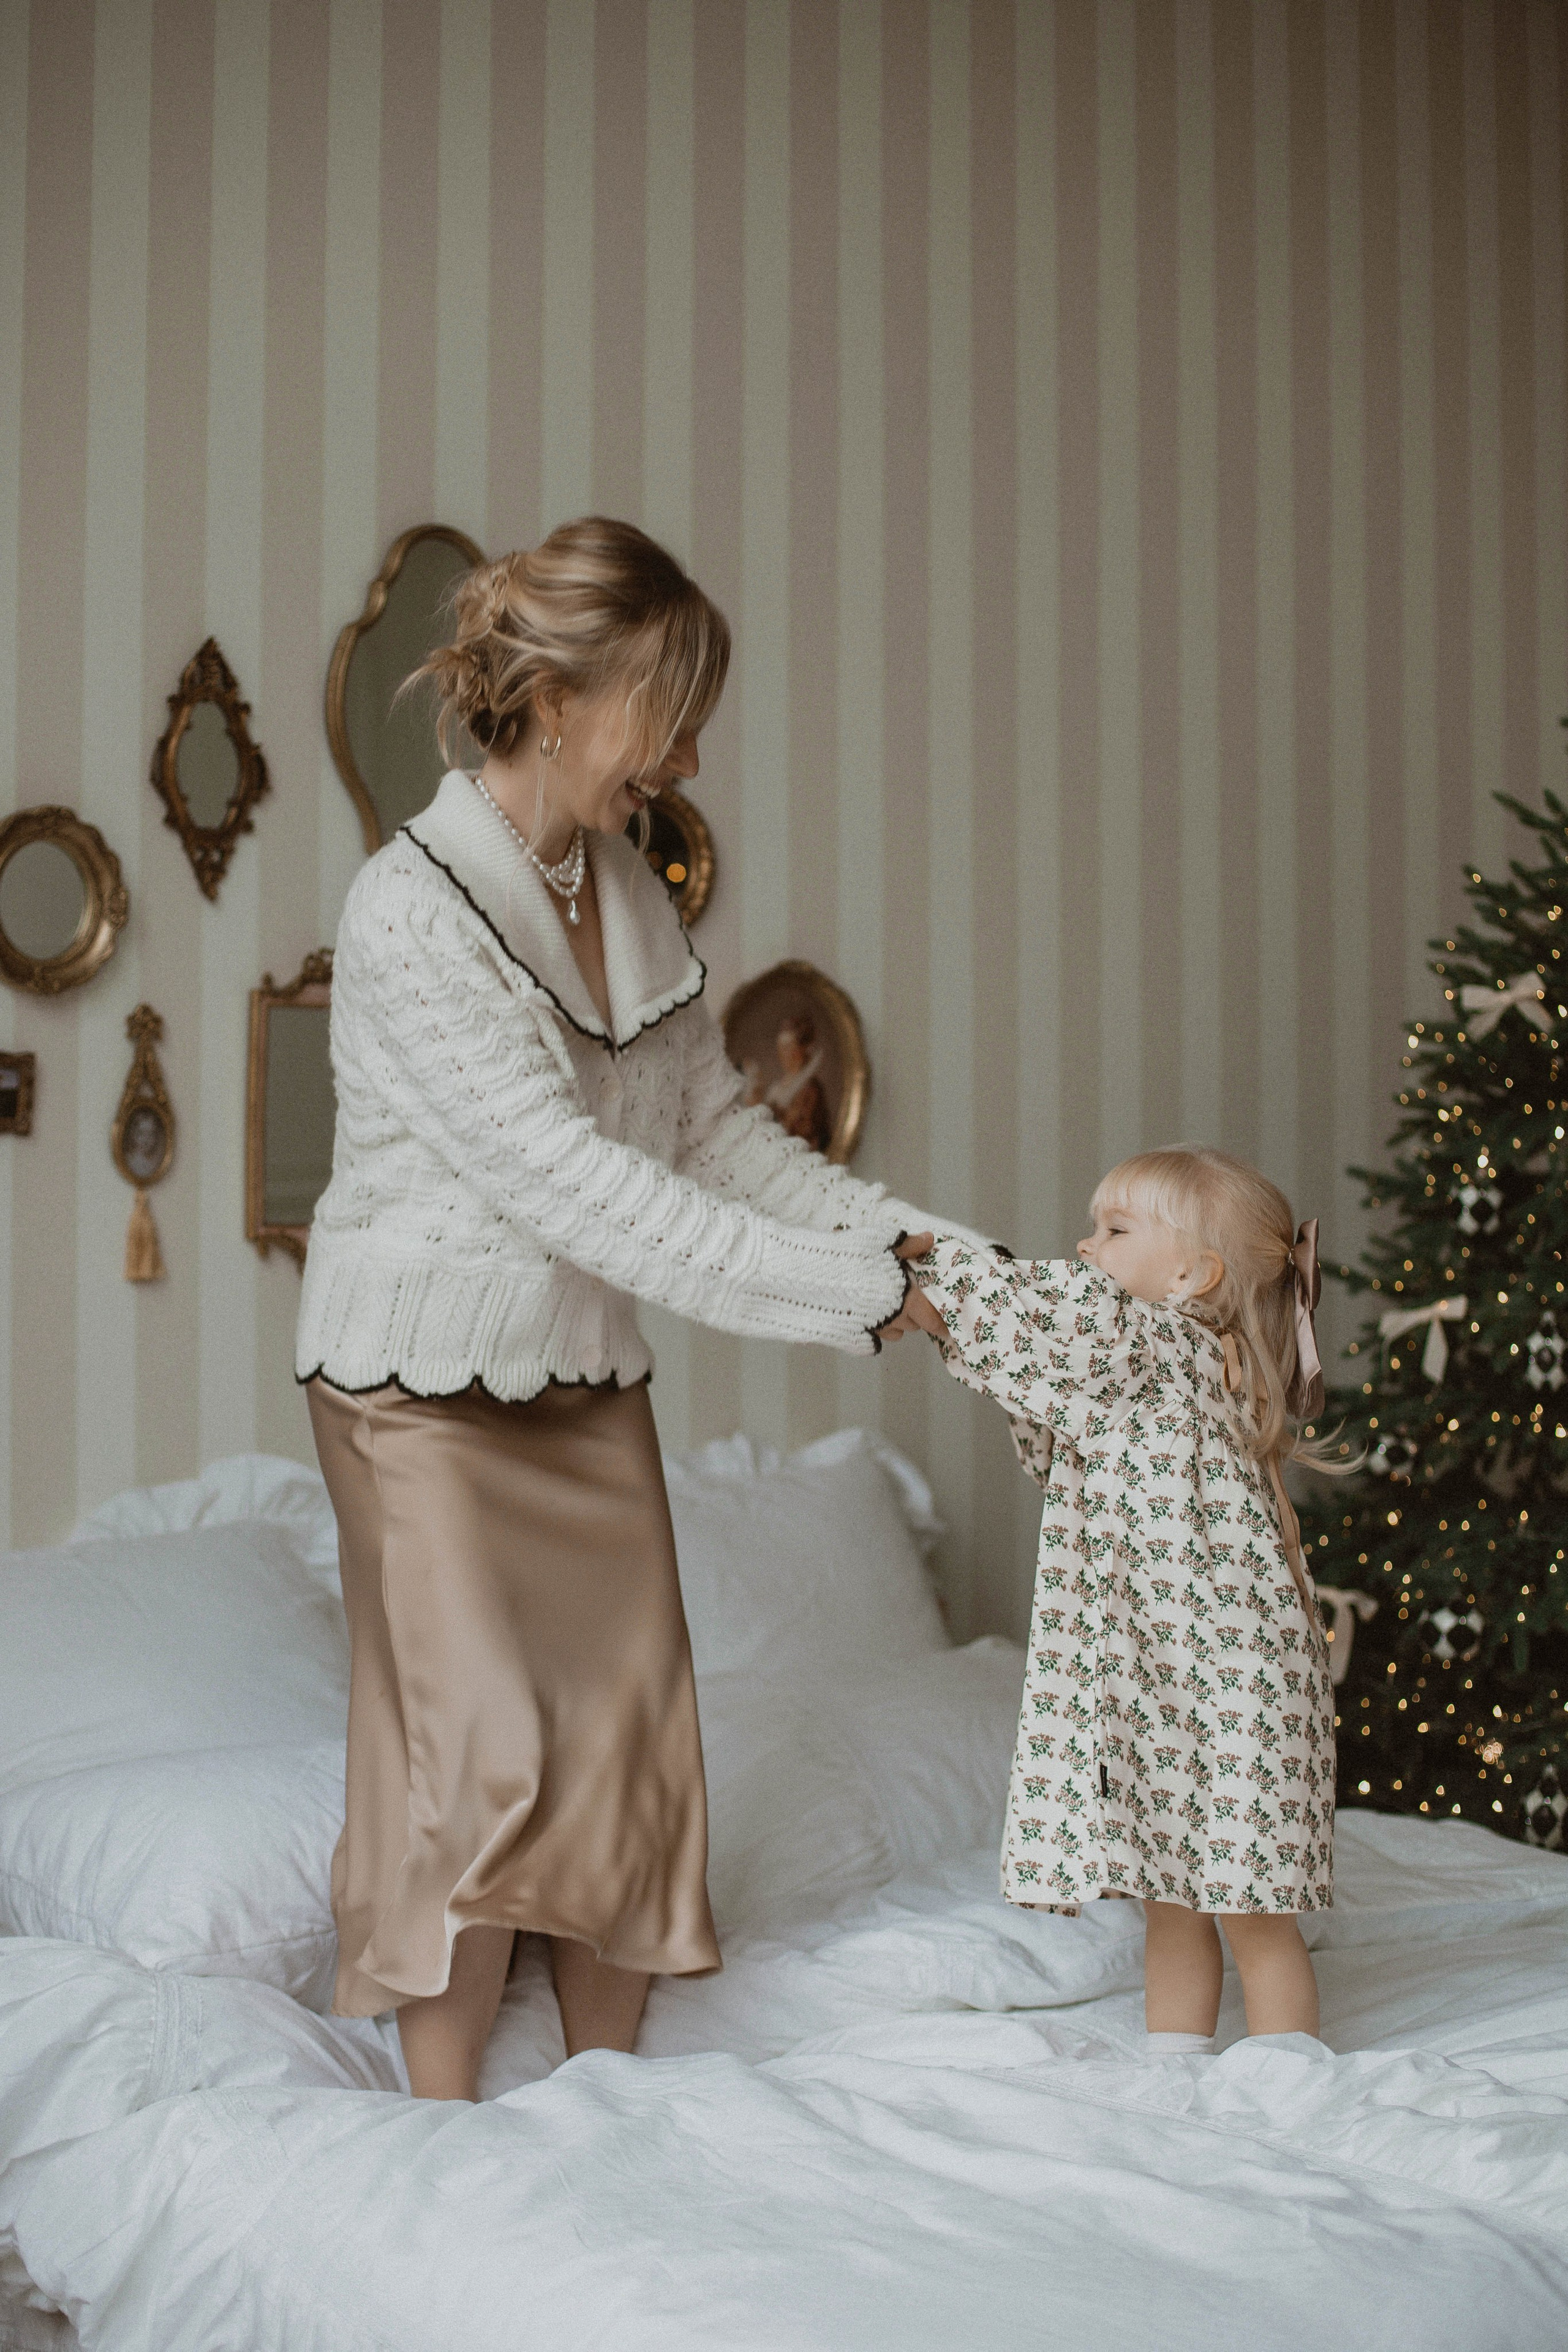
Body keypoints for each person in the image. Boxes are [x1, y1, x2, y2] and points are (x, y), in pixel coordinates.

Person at [296, 517, 937, 2101]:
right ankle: (445, 2133)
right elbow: (577, 1188)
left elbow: (717, 1141)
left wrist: (940, 1258)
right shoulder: (409, 908)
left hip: (580, 1378)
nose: (690, 755)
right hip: (418, 1389)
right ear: (561, 699)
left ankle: (609, 2113)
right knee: (477, 1756)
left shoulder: (632, 892)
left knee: (624, 1748)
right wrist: (859, 1299)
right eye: (672, 715)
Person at [899, 1146, 1341, 2051]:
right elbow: (1044, 1359)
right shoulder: (1197, 1360)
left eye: (1115, 1229)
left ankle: (1291, 2079)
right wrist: (935, 1295)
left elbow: (1035, 1312)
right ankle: (1175, 2068)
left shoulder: (1145, 1341)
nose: (1086, 1245)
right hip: (1185, 1687)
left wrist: (931, 1264)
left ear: (1191, 1275)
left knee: (1248, 1917)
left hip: (1221, 1688)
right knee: (1176, 1902)